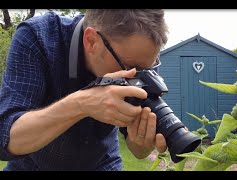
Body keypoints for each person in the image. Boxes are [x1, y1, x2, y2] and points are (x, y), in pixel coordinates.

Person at [0, 9, 169, 171]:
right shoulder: (38, 37)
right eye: (130, 67)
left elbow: (138, 150)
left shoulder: (141, 60)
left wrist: (140, 144)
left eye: (149, 67)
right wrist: (82, 104)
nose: (137, 76)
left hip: (102, 164)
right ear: (91, 41)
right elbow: (6, 139)